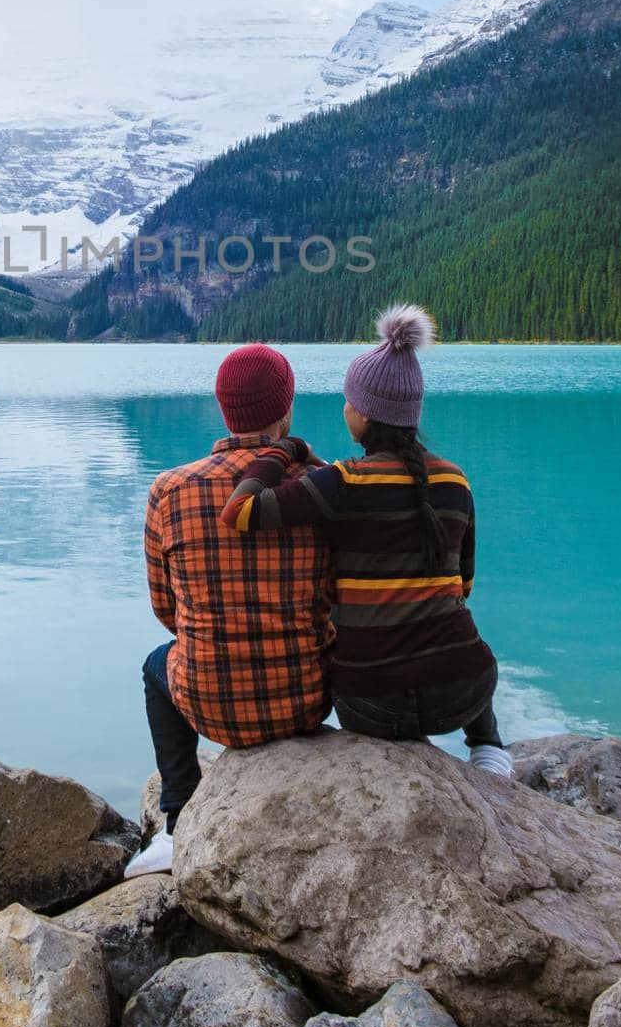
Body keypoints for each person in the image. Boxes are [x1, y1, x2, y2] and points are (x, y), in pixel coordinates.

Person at [220, 304, 512, 777]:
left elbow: (242, 511)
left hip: (372, 707)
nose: (345, 408)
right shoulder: (455, 480)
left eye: (349, 400)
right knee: (451, 617)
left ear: (363, 416)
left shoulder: (343, 483)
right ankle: (489, 748)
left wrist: (285, 448)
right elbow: (464, 586)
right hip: (464, 693)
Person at [125, 343, 335, 877]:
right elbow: (341, 596)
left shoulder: (169, 490)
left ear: (223, 408)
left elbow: (166, 610)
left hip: (210, 704)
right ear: (286, 408)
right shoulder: (324, 484)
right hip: (308, 701)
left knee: (157, 666)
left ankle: (177, 825)